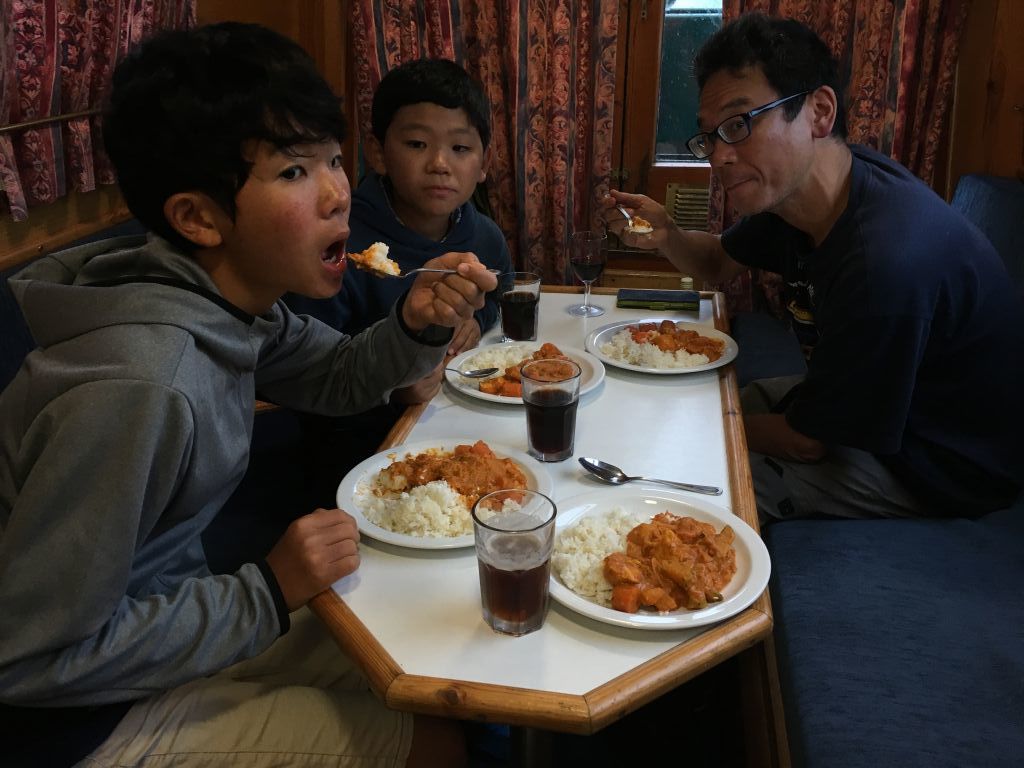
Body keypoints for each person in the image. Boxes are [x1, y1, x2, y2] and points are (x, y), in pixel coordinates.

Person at [0, 22, 495, 767]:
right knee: (434, 741)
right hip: (74, 717)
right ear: (198, 217)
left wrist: (416, 323)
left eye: (333, 158)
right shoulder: (141, 387)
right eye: (294, 172)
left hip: (164, 621)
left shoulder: (232, 307)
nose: (337, 194)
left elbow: (337, 377)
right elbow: (28, 656)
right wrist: (267, 589)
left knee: (428, 661)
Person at [603, 12, 1024, 521]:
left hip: (937, 463)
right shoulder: (799, 195)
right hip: (886, 408)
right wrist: (667, 233)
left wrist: (697, 426)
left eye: (739, 125)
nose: (719, 157)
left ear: (819, 111)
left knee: (690, 482)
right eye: (710, 137)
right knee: (705, 392)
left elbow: (807, 444)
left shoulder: (883, 263)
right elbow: (715, 264)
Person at [285, 57, 512, 505]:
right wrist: (393, 385)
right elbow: (307, 373)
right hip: (354, 461)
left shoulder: (483, 234)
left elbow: (495, 296)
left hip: (453, 427)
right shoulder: (342, 243)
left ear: (484, 163)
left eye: (461, 149)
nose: (440, 164)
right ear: (377, 152)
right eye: (416, 143)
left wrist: (474, 319)